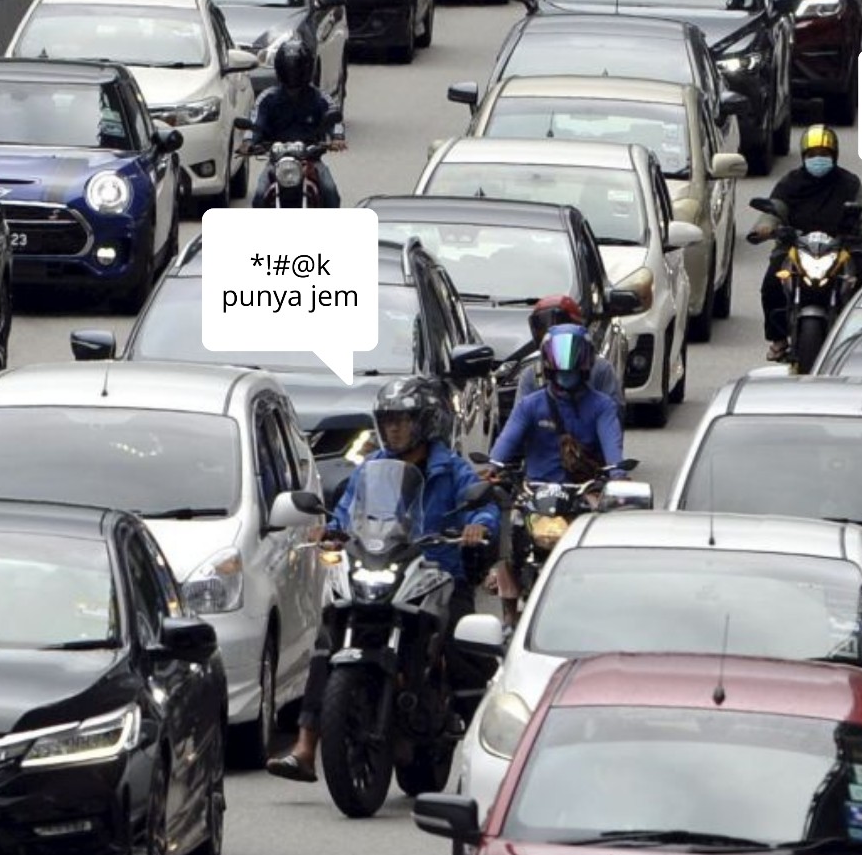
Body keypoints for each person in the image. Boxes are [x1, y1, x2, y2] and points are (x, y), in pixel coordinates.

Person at [266, 376, 496, 783]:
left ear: (425, 422)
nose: (393, 428)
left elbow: (482, 503)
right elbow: (347, 512)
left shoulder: (452, 468)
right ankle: (305, 746)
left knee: (465, 648)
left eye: (402, 420)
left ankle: (485, 750)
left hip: (437, 569)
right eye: (388, 420)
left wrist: (478, 525)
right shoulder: (371, 468)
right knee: (329, 635)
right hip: (381, 562)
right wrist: (330, 529)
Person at [750, 125, 862, 363]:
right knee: (772, 283)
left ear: (834, 156)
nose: (818, 160)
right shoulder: (790, 183)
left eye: (824, 155)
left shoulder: (849, 183)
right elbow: (775, 209)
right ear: (804, 157)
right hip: (797, 245)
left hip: (843, 245)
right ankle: (778, 340)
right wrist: (765, 227)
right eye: (813, 155)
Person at [488, 324, 629, 482]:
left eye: (571, 371)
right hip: (534, 492)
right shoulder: (529, 405)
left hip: (585, 491)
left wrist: (618, 475)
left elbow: (613, 450)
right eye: (561, 370)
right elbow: (508, 440)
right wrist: (492, 468)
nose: (566, 373)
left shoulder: (603, 406)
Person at [241, 39, 345, 209]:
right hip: (277, 162)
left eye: (296, 69)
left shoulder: (319, 97)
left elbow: (334, 117)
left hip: (311, 160)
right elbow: (256, 123)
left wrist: (337, 138)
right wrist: (248, 142)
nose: (293, 74)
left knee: (330, 191)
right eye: (288, 69)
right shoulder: (267, 98)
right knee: (259, 195)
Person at [513, 295, 624, 409]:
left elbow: (614, 415)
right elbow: (518, 418)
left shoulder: (601, 370)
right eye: (545, 333)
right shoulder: (530, 375)